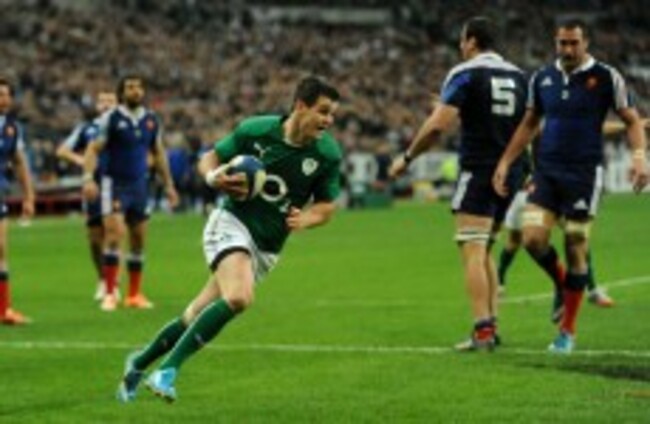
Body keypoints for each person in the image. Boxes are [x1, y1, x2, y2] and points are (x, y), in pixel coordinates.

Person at [116, 76, 342, 403]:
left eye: (332, 114)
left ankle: (137, 364)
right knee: (239, 297)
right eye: (323, 111)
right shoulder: (256, 130)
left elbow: (326, 206)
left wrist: (307, 218)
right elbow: (210, 157)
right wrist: (214, 177)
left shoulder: (327, 154)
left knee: (194, 315)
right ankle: (167, 371)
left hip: (267, 247)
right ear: (300, 106)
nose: (328, 120)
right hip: (231, 223)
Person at [492, 19, 648, 353]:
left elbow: (632, 121)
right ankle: (563, 285)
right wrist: (505, 162)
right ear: (556, 42)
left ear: (586, 42)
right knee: (532, 239)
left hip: (584, 175)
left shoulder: (606, 77)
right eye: (562, 42)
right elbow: (529, 124)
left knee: (576, 244)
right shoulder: (542, 78)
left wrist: (639, 157)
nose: (568, 49)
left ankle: (567, 331)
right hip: (546, 172)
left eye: (574, 43)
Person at [389, 17, 528, 351]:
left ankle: (482, 330)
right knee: (486, 247)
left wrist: (407, 157)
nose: (460, 46)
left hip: (480, 169)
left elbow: (438, 126)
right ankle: (491, 327)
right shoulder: (521, 76)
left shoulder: (465, 72)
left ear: (472, 41)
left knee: (473, 249)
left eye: (463, 40)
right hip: (513, 170)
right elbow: (528, 124)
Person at [83, 75, 179, 312]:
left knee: (138, 239)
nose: (135, 91)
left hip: (139, 186)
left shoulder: (151, 120)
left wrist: (169, 184)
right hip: (114, 184)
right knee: (114, 235)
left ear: (144, 91)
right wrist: (88, 178)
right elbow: (93, 149)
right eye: (130, 87)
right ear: (122, 92)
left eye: (138, 87)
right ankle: (109, 293)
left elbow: (158, 152)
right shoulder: (111, 118)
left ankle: (134, 295)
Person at [56, 90, 118, 301]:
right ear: (97, 105)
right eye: (102, 101)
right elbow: (62, 151)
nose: (106, 104)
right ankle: (102, 278)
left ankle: (113, 283)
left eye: (110, 101)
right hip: (93, 187)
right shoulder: (86, 129)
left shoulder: (123, 127)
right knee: (94, 237)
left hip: (118, 186)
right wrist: (81, 161)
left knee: (114, 232)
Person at [0, 78, 35, 325]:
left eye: (5, 95)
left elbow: (20, 163)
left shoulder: (12, 128)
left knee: (1, 249)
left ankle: (4, 310)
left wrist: (29, 196)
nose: (2, 99)